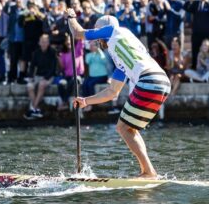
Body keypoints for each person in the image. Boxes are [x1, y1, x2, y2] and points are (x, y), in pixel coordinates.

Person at [66, 12, 171, 179]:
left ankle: (149, 172)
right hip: (162, 81)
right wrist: (86, 101)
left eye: (98, 37)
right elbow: (112, 91)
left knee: (122, 128)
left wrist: (71, 17)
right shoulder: (121, 54)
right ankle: (148, 171)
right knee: (130, 128)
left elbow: (78, 33)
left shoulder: (112, 31)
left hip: (149, 79)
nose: (98, 41)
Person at [25, 33, 58, 119]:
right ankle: (36, 109)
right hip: (38, 75)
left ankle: (33, 108)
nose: (43, 44)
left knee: (41, 85)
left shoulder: (52, 52)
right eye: (42, 42)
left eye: (45, 42)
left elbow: (53, 68)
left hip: (48, 76)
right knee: (29, 86)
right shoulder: (36, 53)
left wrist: (46, 78)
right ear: (39, 43)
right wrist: (31, 77)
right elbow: (32, 67)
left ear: (48, 43)